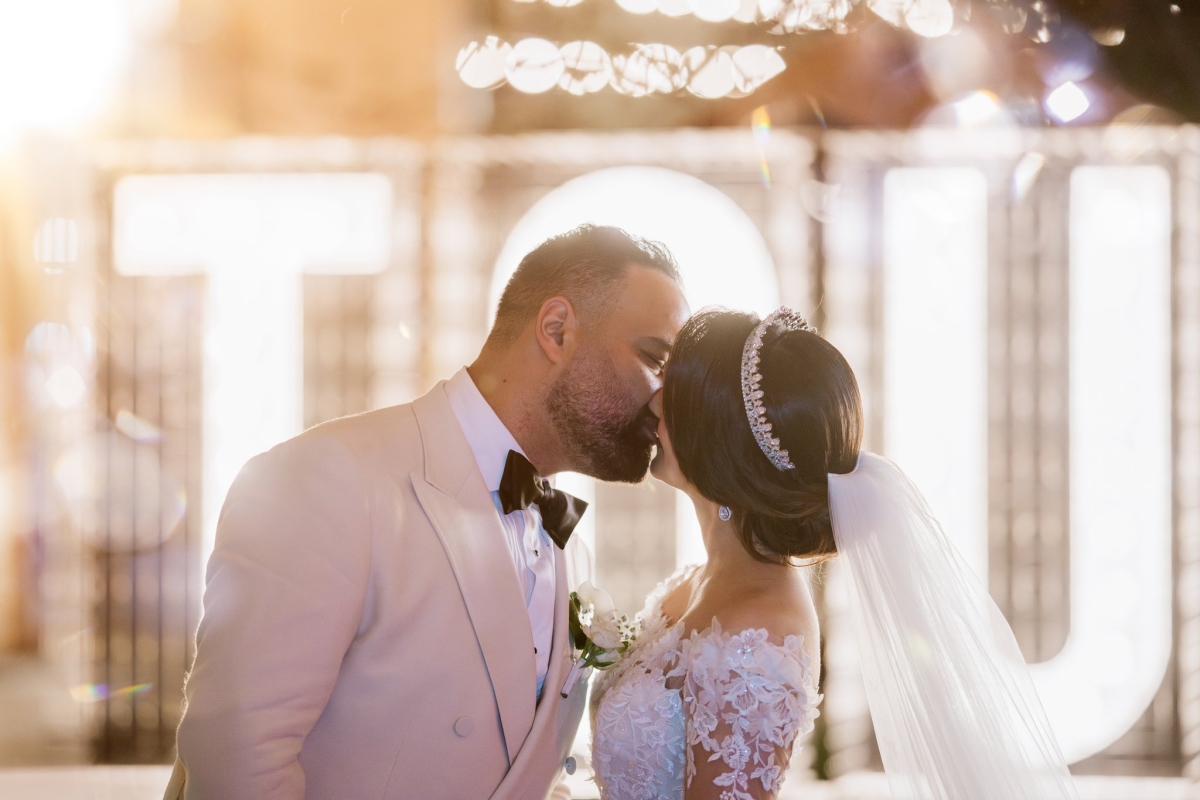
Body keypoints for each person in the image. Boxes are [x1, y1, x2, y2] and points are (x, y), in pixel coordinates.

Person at [164, 224, 691, 800]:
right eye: (654, 359)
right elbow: (237, 762)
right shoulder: (329, 479)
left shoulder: (569, 547)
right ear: (556, 330)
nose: (664, 399)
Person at [590, 307, 1079, 800]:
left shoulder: (759, 633)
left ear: (719, 443)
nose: (654, 404)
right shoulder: (691, 582)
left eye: (675, 395)